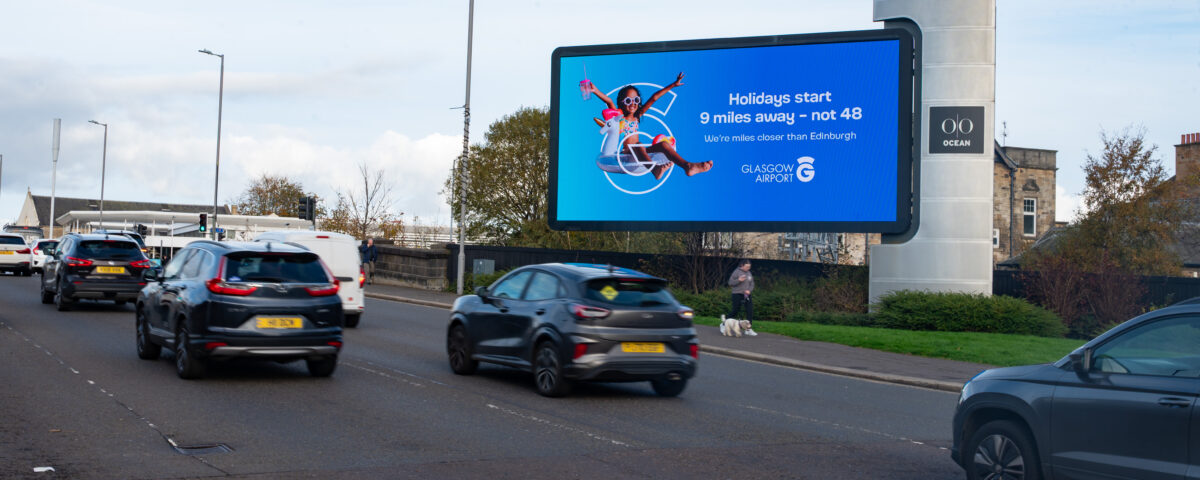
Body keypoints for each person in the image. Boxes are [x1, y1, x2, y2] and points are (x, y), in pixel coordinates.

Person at [589, 73, 713, 180]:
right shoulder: (620, 117)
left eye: (636, 100)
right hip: (627, 152)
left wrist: (673, 85)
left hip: (639, 150)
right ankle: (655, 170)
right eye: (628, 101)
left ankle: (687, 166)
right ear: (622, 102)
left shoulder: (637, 116)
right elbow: (609, 101)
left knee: (664, 145)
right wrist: (595, 90)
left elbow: (654, 98)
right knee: (639, 145)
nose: (632, 103)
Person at [727, 260, 756, 336]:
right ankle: (724, 324)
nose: (748, 268)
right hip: (737, 294)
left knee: (750, 310)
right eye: (747, 266)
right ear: (742, 266)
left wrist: (749, 290)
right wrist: (738, 280)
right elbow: (730, 283)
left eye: (749, 267)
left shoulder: (749, 273)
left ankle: (748, 329)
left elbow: (752, 283)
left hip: (746, 295)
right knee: (735, 310)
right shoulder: (736, 272)